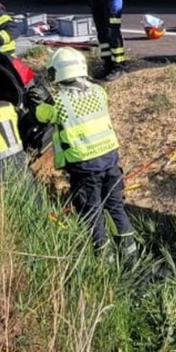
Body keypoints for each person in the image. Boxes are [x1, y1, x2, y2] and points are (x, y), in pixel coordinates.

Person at [35, 47, 137, 256]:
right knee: (116, 206)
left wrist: (36, 100)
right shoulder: (99, 92)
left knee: (92, 211)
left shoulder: (59, 102)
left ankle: (102, 257)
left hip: (85, 166)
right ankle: (130, 252)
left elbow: (42, 114)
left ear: (59, 72)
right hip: (110, 160)